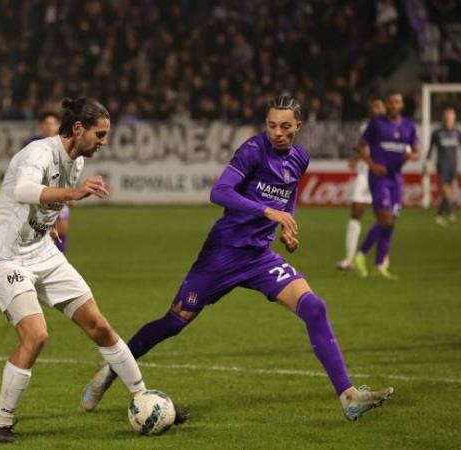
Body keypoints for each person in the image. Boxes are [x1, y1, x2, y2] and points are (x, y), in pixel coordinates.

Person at [81, 95, 394, 422]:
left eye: (285, 127)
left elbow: (289, 196)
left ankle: (348, 397)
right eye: (272, 125)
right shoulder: (253, 150)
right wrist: (267, 210)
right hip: (223, 254)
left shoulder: (300, 158)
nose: (277, 132)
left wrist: (287, 225)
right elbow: (219, 192)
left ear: (298, 126)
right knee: (173, 323)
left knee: (315, 307)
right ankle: (111, 371)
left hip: (259, 257)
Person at [0, 98, 149, 443]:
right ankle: (0, 423)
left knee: (100, 326)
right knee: (36, 335)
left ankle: (144, 399)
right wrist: (73, 193)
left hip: (42, 251)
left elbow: (45, 202)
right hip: (7, 257)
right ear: (77, 129)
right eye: (100, 134)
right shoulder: (37, 154)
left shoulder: (78, 158)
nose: (104, 141)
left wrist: (49, 222)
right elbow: (24, 190)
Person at [354, 91, 420, 280]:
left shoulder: (408, 126)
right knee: (386, 218)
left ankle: (380, 265)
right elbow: (361, 146)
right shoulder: (376, 124)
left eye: (396, 102)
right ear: (386, 104)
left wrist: (411, 156)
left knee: (390, 223)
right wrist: (372, 165)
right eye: (390, 102)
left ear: (401, 105)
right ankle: (361, 255)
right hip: (379, 178)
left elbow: (416, 151)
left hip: (396, 179)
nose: (393, 105)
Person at [337, 97, 386, 270]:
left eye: (379, 105)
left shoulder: (390, 127)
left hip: (383, 176)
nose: (376, 108)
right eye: (373, 106)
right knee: (356, 211)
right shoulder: (366, 126)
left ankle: (382, 258)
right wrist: (356, 158)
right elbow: (364, 147)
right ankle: (349, 259)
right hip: (365, 173)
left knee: (384, 217)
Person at [25, 111, 71, 252]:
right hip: (38, 192)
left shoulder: (64, 143)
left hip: (58, 191)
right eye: (46, 123)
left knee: (62, 226)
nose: (49, 126)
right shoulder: (32, 143)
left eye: (52, 123)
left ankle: (59, 258)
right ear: (41, 126)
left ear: (58, 126)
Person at [426, 106, 461, 226]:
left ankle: (439, 215)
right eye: (447, 115)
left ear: (454, 118)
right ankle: (450, 213)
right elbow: (431, 149)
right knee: (445, 190)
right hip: (442, 164)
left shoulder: (457, 132)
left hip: (453, 164)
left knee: (447, 191)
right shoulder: (437, 133)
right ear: (444, 117)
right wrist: (426, 162)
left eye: (451, 116)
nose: (449, 118)